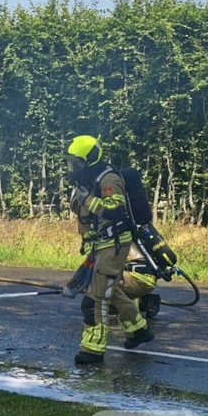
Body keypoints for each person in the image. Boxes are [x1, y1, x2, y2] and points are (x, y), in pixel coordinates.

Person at [66, 135, 154, 365]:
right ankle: (139, 330)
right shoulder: (88, 180)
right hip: (100, 246)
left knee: (95, 300)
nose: (73, 167)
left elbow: (115, 211)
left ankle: (92, 350)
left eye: (76, 162)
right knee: (110, 292)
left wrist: (88, 201)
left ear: (88, 160)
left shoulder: (109, 179)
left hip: (114, 245)